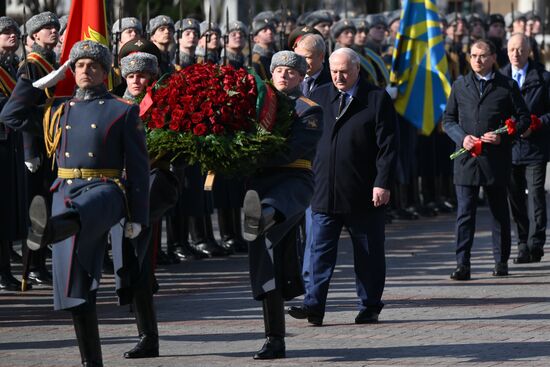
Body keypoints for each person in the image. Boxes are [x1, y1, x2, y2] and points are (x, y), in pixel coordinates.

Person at [0, 40, 150, 366]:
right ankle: (90, 361)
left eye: (92, 66)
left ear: (104, 72)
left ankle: (50, 230)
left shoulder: (122, 110)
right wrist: (34, 82)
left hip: (107, 188)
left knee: (87, 208)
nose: (85, 71)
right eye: (78, 65)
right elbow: (10, 115)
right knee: (76, 287)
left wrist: (139, 215)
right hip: (66, 187)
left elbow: (138, 168)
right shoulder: (58, 108)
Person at [288, 47, 398, 326]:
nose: (338, 76)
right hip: (323, 189)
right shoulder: (319, 95)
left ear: (357, 70)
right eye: (334, 71)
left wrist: (382, 183)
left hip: (363, 192)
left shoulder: (375, 98)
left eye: (344, 72)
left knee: (368, 254)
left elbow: (388, 147)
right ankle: (314, 305)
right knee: (318, 253)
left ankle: (369, 304)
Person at [243, 50, 322, 359]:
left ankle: (262, 215)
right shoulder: (255, 105)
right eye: (279, 70)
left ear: (302, 77)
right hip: (260, 181)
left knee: (273, 209)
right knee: (267, 257)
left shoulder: (309, 110)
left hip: (294, 179)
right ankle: (274, 337)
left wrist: (252, 155)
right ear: (271, 73)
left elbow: (294, 149)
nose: (284, 75)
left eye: (292, 72)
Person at [444, 39, 530, 281]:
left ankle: (500, 261)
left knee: (499, 211)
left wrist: (504, 135)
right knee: (464, 213)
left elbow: (522, 118)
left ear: (493, 57)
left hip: (495, 158)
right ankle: (463, 264)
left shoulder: (506, 85)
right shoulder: (460, 85)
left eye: (482, 56)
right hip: (467, 159)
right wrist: (462, 139)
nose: (477, 60)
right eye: (473, 56)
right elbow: (448, 120)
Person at [19, 11, 61, 286]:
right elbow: (23, 111)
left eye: (55, 27)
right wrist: (30, 149)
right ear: (34, 36)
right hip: (35, 148)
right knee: (35, 209)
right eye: (47, 28)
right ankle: (31, 265)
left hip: (52, 145)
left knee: (46, 207)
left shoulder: (50, 61)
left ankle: (41, 263)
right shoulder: (31, 65)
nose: (53, 31)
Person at [501, 33, 550, 263]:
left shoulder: (542, 77)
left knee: (536, 195)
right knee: (516, 198)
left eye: (520, 49)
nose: (515, 54)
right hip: (510, 148)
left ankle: (535, 242)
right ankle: (522, 243)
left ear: (528, 50)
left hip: (535, 148)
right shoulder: (501, 78)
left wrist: (538, 123)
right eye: (511, 49)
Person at [0, 16, 30, 292]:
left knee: (9, 207)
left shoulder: (12, 66)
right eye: (6, 32)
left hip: (11, 143)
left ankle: (6, 265)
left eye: (14, 32)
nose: (12, 35)